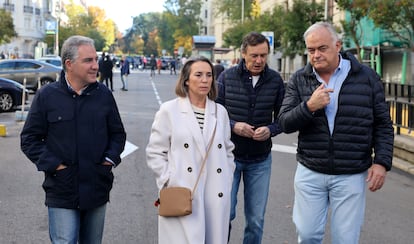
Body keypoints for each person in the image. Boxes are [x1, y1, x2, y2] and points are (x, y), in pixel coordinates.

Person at [277, 22, 394, 244]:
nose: (316, 55)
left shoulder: (367, 77)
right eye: (311, 50)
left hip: (350, 173)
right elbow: (284, 123)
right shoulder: (300, 79)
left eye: (322, 48)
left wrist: (381, 162)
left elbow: (383, 124)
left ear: (338, 45)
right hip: (310, 171)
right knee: (308, 235)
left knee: (345, 239)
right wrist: (309, 106)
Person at [20, 35, 126, 244]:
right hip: (62, 189)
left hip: (97, 187)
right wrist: (56, 166)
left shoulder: (103, 95)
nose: (96, 66)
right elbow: (29, 139)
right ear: (69, 64)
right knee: (65, 241)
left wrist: (108, 161)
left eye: (95, 60)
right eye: (89, 61)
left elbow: (118, 134)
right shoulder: (47, 96)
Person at [146, 56, 235, 244]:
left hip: (215, 194)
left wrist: (227, 180)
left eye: (209, 75)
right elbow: (155, 151)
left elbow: (227, 151)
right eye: (199, 75)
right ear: (186, 79)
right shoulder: (169, 110)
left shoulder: (220, 112)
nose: (205, 80)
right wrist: (168, 181)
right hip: (183, 192)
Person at [216, 32, 285, 243]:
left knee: (255, 220)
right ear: (243, 53)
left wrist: (271, 130)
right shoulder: (226, 78)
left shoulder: (275, 80)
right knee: (224, 214)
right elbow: (213, 115)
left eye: (263, 55)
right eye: (254, 55)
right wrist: (234, 126)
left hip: (260, 161)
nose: (259, 60)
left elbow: (283, 117)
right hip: (228, 158)